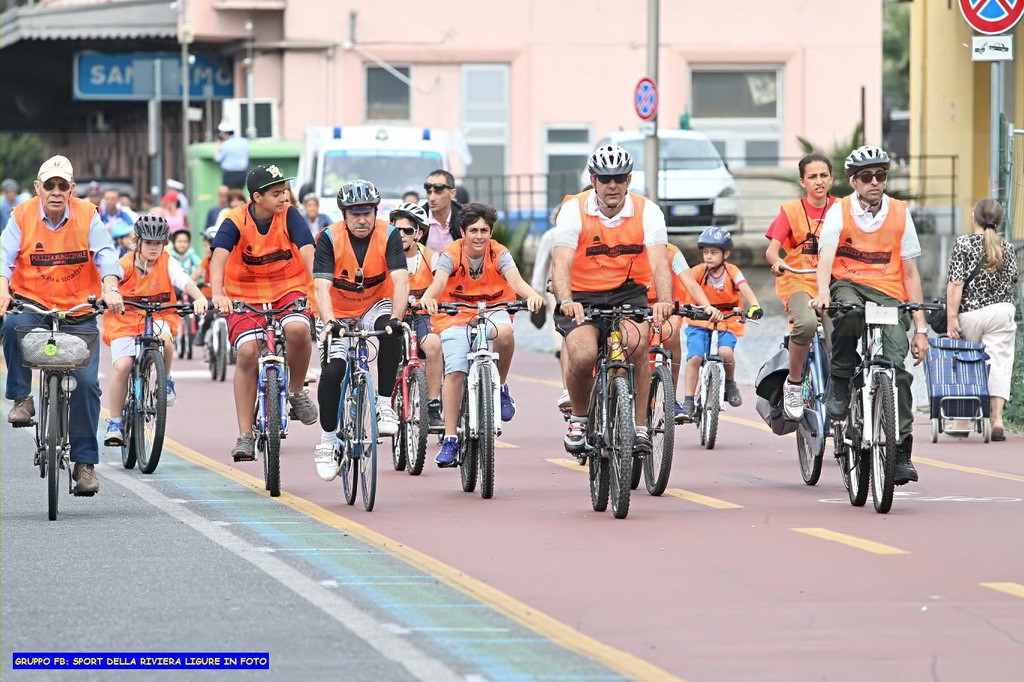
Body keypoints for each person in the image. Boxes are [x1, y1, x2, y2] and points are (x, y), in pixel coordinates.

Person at [0, 155, 125, 495]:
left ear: (71, 189)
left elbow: (106, 254)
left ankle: (84, 465)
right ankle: (22, 398)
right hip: (33, 304)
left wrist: (110, 286)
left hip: (78, 309)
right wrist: (2, 291)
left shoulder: (88, 214)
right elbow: (4, 257)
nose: (55, 192)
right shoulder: (21, 215)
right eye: (49, 185)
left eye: (62, 186)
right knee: (11, 325)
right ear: (38, 188)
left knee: (86, 384)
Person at [811, 145, 929, 485]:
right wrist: (823, 292)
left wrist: (920, 329)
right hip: (848, 285)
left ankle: (901, 451)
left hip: (889, 293)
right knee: (848, 314)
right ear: (853, 181)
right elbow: (825, 257)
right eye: (866, 176)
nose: (874, 182)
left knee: (897, 369)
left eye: (880, 175)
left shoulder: (900, 212)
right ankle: (840, 380)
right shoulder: (839, 211)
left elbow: (911, 274)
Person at [549, 144, 674, 455]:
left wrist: (664, 300)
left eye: (619, 178)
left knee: (637, 346)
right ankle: (579, 418)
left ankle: (640, 427)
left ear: (629, 180)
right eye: (605, 179)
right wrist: (566, 299)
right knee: (583, 355)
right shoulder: (574, 209)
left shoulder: (648, 211)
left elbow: (660, 261)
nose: (612, 185)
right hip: (581, 295)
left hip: (627, 291)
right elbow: (561, 261)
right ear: (593, 180)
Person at [420, 203, 545, 466]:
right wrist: (429, 297)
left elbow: (516, 281)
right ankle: (450, 438)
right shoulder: (450, 254)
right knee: (455, 371)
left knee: (505, 334)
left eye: (484, 230)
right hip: (455, 314)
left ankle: (500, 387)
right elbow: (439, 282)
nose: (479, 236)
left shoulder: (499, 253)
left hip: (493, 310)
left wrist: (532, 295)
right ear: (463, 232)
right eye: (473, 230)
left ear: (491, 232)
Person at [210, 163, 319, 461]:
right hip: (244, 295)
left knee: (298, 330)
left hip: (288, 289)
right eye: (276, 193)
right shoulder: (235, 220)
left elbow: (308, 250)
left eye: (285, 191)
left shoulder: (290, 215)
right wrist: (218, 294)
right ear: (257, 197)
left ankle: (296, 392)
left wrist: (318, 290)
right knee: (247, 352)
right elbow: (219, 256)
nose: (284, 197)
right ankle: (245, 435)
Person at [311, 180, 408, 481]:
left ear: (376, 212)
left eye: (367, 213)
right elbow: (321, 286)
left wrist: (397, 317)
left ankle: (383, 405)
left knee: (392, 330)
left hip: (374, 305)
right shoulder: (328, 238)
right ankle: (328, 441)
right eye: (355, 214)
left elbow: (401, 280)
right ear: (344, 214)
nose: (362, 220)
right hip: (336, 312)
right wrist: (330, 322)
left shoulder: (390, 234)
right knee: (333, 371)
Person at [102, 215, 209, 446]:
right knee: (122, 367)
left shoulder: (167, 261)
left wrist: (199, 297)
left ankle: (166, 380)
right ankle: (115, 423)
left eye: (158, 243)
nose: (153, 248)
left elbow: (183, 280)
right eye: (149, 243)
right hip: (125, 319)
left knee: (164, 340)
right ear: (137, 242)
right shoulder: (126, 263)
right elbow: (110, 279)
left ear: (164, 244)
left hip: (159, 315)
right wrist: (110, 293)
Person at [765, 152, 836, 420]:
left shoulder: (842, 209)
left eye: (824, 175)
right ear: (802, 182)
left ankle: (844, 389)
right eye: (812, 177)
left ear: (832, 179)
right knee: (805, 325)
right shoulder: (790, 211)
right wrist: (777, 262)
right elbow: (772, 250)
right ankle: (794, 383)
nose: (819, 181)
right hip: (799, 279)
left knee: (842, 332)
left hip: (833, 282)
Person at [945, 198, 1019, 441]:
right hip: (1001, 312)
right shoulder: (1008, 247)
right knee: (999, 364)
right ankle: (997, 420)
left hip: (971, 313)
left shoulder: (963, 243)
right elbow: (1013, 281)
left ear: (974, 218)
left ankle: (962, 420)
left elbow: (956, 283)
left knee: (967, 362)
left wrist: (951, 318)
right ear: (999, 221)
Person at [678, 228, 762, 421]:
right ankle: (688, 400)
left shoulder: (732, 271)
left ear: (726, 254)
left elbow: (744, 287)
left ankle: (730, 383)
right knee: (695, 357)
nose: (708, 256)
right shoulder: (698, 272)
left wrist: (754, 305)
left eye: (714, 252)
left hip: (727, 321)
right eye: (705, 252)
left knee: (726, 353)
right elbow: (685, 286)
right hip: (699, 321)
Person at [649, 243, 721, 421]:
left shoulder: (673, 252)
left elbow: (690, 283)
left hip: (667, 308)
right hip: (636, 306)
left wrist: (706, 306)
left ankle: (671, 400)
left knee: (672, 332)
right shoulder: (632, 246)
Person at [393, 201, 444, 431]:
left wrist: (430, 298)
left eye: (407, 230)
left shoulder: (431, 257)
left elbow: (441, 282)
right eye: (396, 230)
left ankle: (432, 405)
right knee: (388, 354)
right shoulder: (384, 256)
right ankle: (385, 403)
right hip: (394, 315)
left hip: (421, 316)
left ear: (419, 233)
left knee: (433, 345)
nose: (401, 235)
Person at [419, 169, 462, 251]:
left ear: (452, 193)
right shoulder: (417, 219)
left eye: (438, 192)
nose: (432, 198)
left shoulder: (465, 217)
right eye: (429, 192)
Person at [214, 121, 250, 190]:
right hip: (242, 173)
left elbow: (217, 158)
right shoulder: (244, 142)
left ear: (224, 134)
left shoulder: (225, 144)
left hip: (229, 174)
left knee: (229, 194)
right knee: (239, 193)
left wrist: (218, 145)